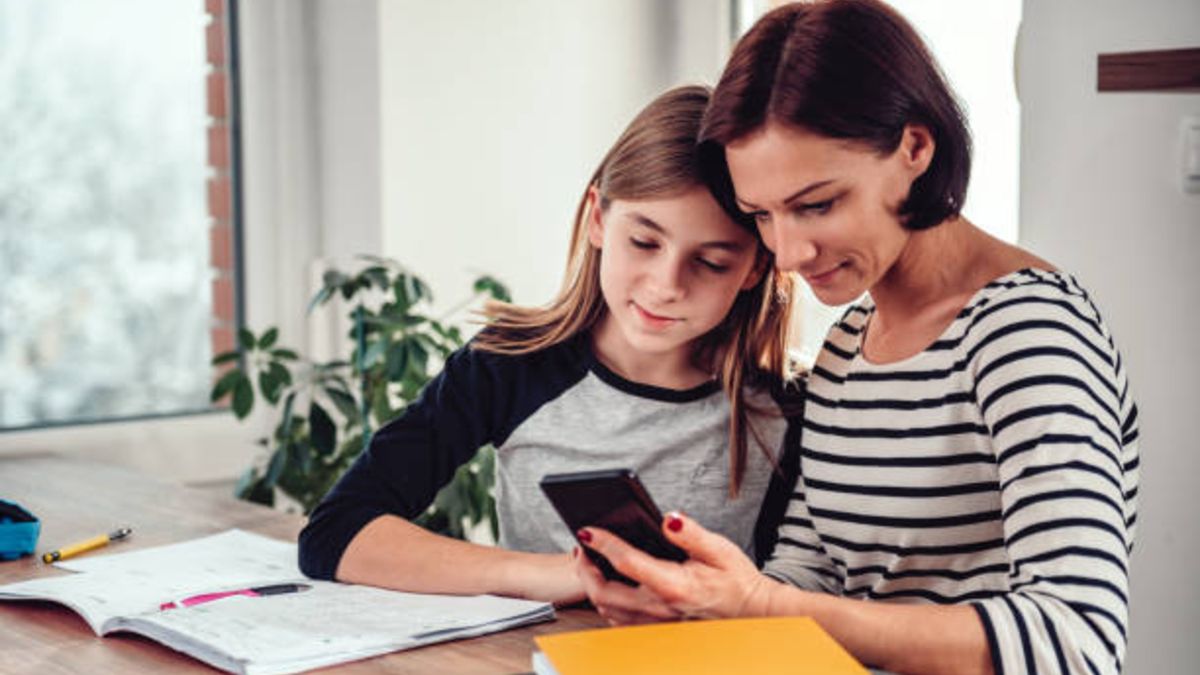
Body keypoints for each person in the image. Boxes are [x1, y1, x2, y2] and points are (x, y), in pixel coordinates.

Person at [572, 3, 1140, 675]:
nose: (786, 252)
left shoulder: (1026, 330)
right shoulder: (847, 349)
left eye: (817, 205)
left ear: (915, 149)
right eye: (762, 215)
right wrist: (700, 602)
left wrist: (760, 605)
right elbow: (810, 575)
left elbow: (1075, 637)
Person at [297, 85, 804, 607]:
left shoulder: (790, 405)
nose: (666, 284)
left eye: (713, 262)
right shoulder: (506, 368)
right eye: (645, 242)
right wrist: (564, 575)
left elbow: (801, 592)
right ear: (599, 219)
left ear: (757, 266)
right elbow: (335, 533)